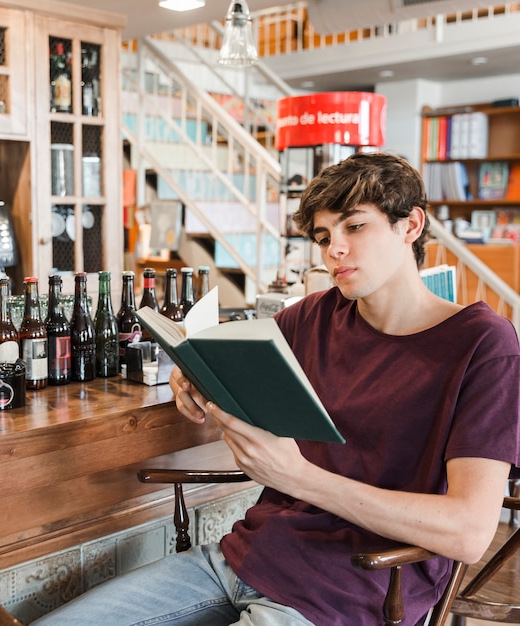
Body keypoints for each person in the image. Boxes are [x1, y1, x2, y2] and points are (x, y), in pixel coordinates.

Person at [32, 152, 520, 625]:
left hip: (348, 594)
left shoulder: (483, 345)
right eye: (324, 236)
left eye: (354, 227)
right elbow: (224, 360)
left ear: (409, 226)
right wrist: (192, 372)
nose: (334, 250)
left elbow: (468, 533)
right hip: (242, 560)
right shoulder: (311, 316)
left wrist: (297, 477)